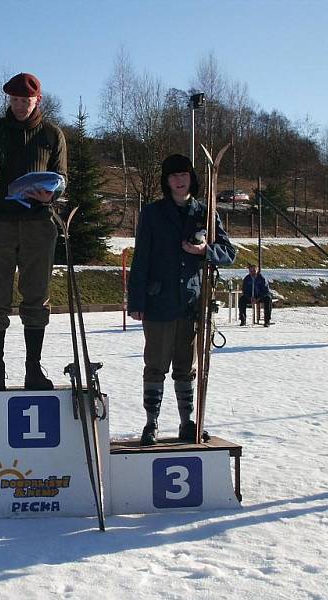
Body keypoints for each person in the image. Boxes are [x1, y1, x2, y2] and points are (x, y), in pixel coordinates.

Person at [0, 72, 67, 392]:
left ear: (38, 100)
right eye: (15, 100)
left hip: (38, 223)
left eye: (27, 100)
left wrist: (54, 193)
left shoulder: (52, 135)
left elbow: (62, 177)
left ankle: (33, 369)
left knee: (37, 298)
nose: (21, 105)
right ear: (8, 100)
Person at [127, 154, 236, 445]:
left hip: (192, 304)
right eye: (173, 176)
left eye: (184, 175)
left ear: (192, 178)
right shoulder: (152, 213)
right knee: (155, 365)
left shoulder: (205, 212)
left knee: (186, 367)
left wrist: (205, 251)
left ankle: (187, 422)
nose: (179, 180)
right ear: (167, 181)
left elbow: (229, 252)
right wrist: (135, 301)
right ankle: (152, 423)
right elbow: (141, 259)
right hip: (158, 303)